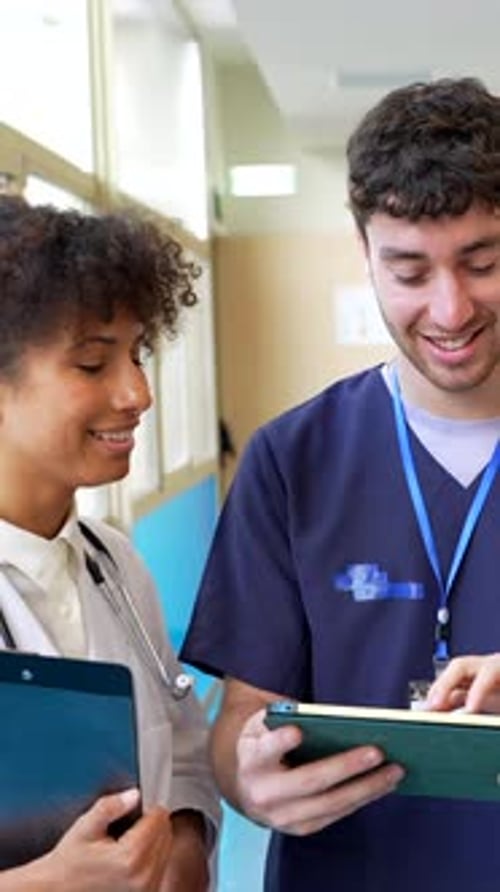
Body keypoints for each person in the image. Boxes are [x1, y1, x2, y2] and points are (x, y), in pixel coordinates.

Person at [180, 76, 500, 891]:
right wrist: (250, 779)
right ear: (365, 256)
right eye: (409, 270)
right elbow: (241, 722)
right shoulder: (294, 459)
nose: (451, 307)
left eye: (482, 262)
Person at [0, 196, 220, 891]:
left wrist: (180, 857)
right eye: (94, 365)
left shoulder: (115, 564)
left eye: (138, 354)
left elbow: (183, 758)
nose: (138, 393)